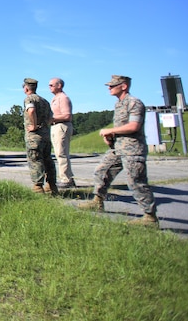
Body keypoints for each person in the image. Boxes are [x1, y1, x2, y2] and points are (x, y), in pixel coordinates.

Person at [80, 75, 159, 227]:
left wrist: (111, 130)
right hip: (117, 148)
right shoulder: (119, 105)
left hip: (133, 149)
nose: (109, 88)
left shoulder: (134, 103)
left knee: (136, 181)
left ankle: (150, 217)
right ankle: (97, 201)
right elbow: (122, 127)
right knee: (101, 171)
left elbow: (134, 126)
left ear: (123, 86)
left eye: (112, 85)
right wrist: (111, 136)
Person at [22, 78, 58, 195]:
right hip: (46, 136)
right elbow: (51, 118)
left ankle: (38, 187)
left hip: (34, 136)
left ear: (26, 88)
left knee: (35, 160)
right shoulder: (45, 101)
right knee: (48, 160)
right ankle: (52, 185)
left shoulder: (29, 99)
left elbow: (31, 111)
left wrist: (33, 125)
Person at [49, 77, 76, 188]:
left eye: (52, 85)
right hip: (56, 126)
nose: (49, 87)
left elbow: (67, 115)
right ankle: (68, 178)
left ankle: (66, 179)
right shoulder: (56, 98)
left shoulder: (63, 98)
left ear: (59, 85)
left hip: (62, 126)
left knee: (62, 154)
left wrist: (52, 118)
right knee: (58, 153)